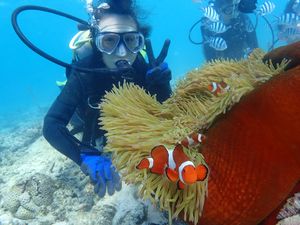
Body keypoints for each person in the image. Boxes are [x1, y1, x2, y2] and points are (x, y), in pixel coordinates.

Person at [43, 0, 172, 198]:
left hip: (125, 121)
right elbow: (52, 125)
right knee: (81, 121)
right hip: (88, 117)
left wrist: (162, 86)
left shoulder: (141, 67)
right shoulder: (83, 73)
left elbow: (167, 114)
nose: (121, 52)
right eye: (109, 41)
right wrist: (83, 154)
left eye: (130, 40)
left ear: (140, 41)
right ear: (96, 41)